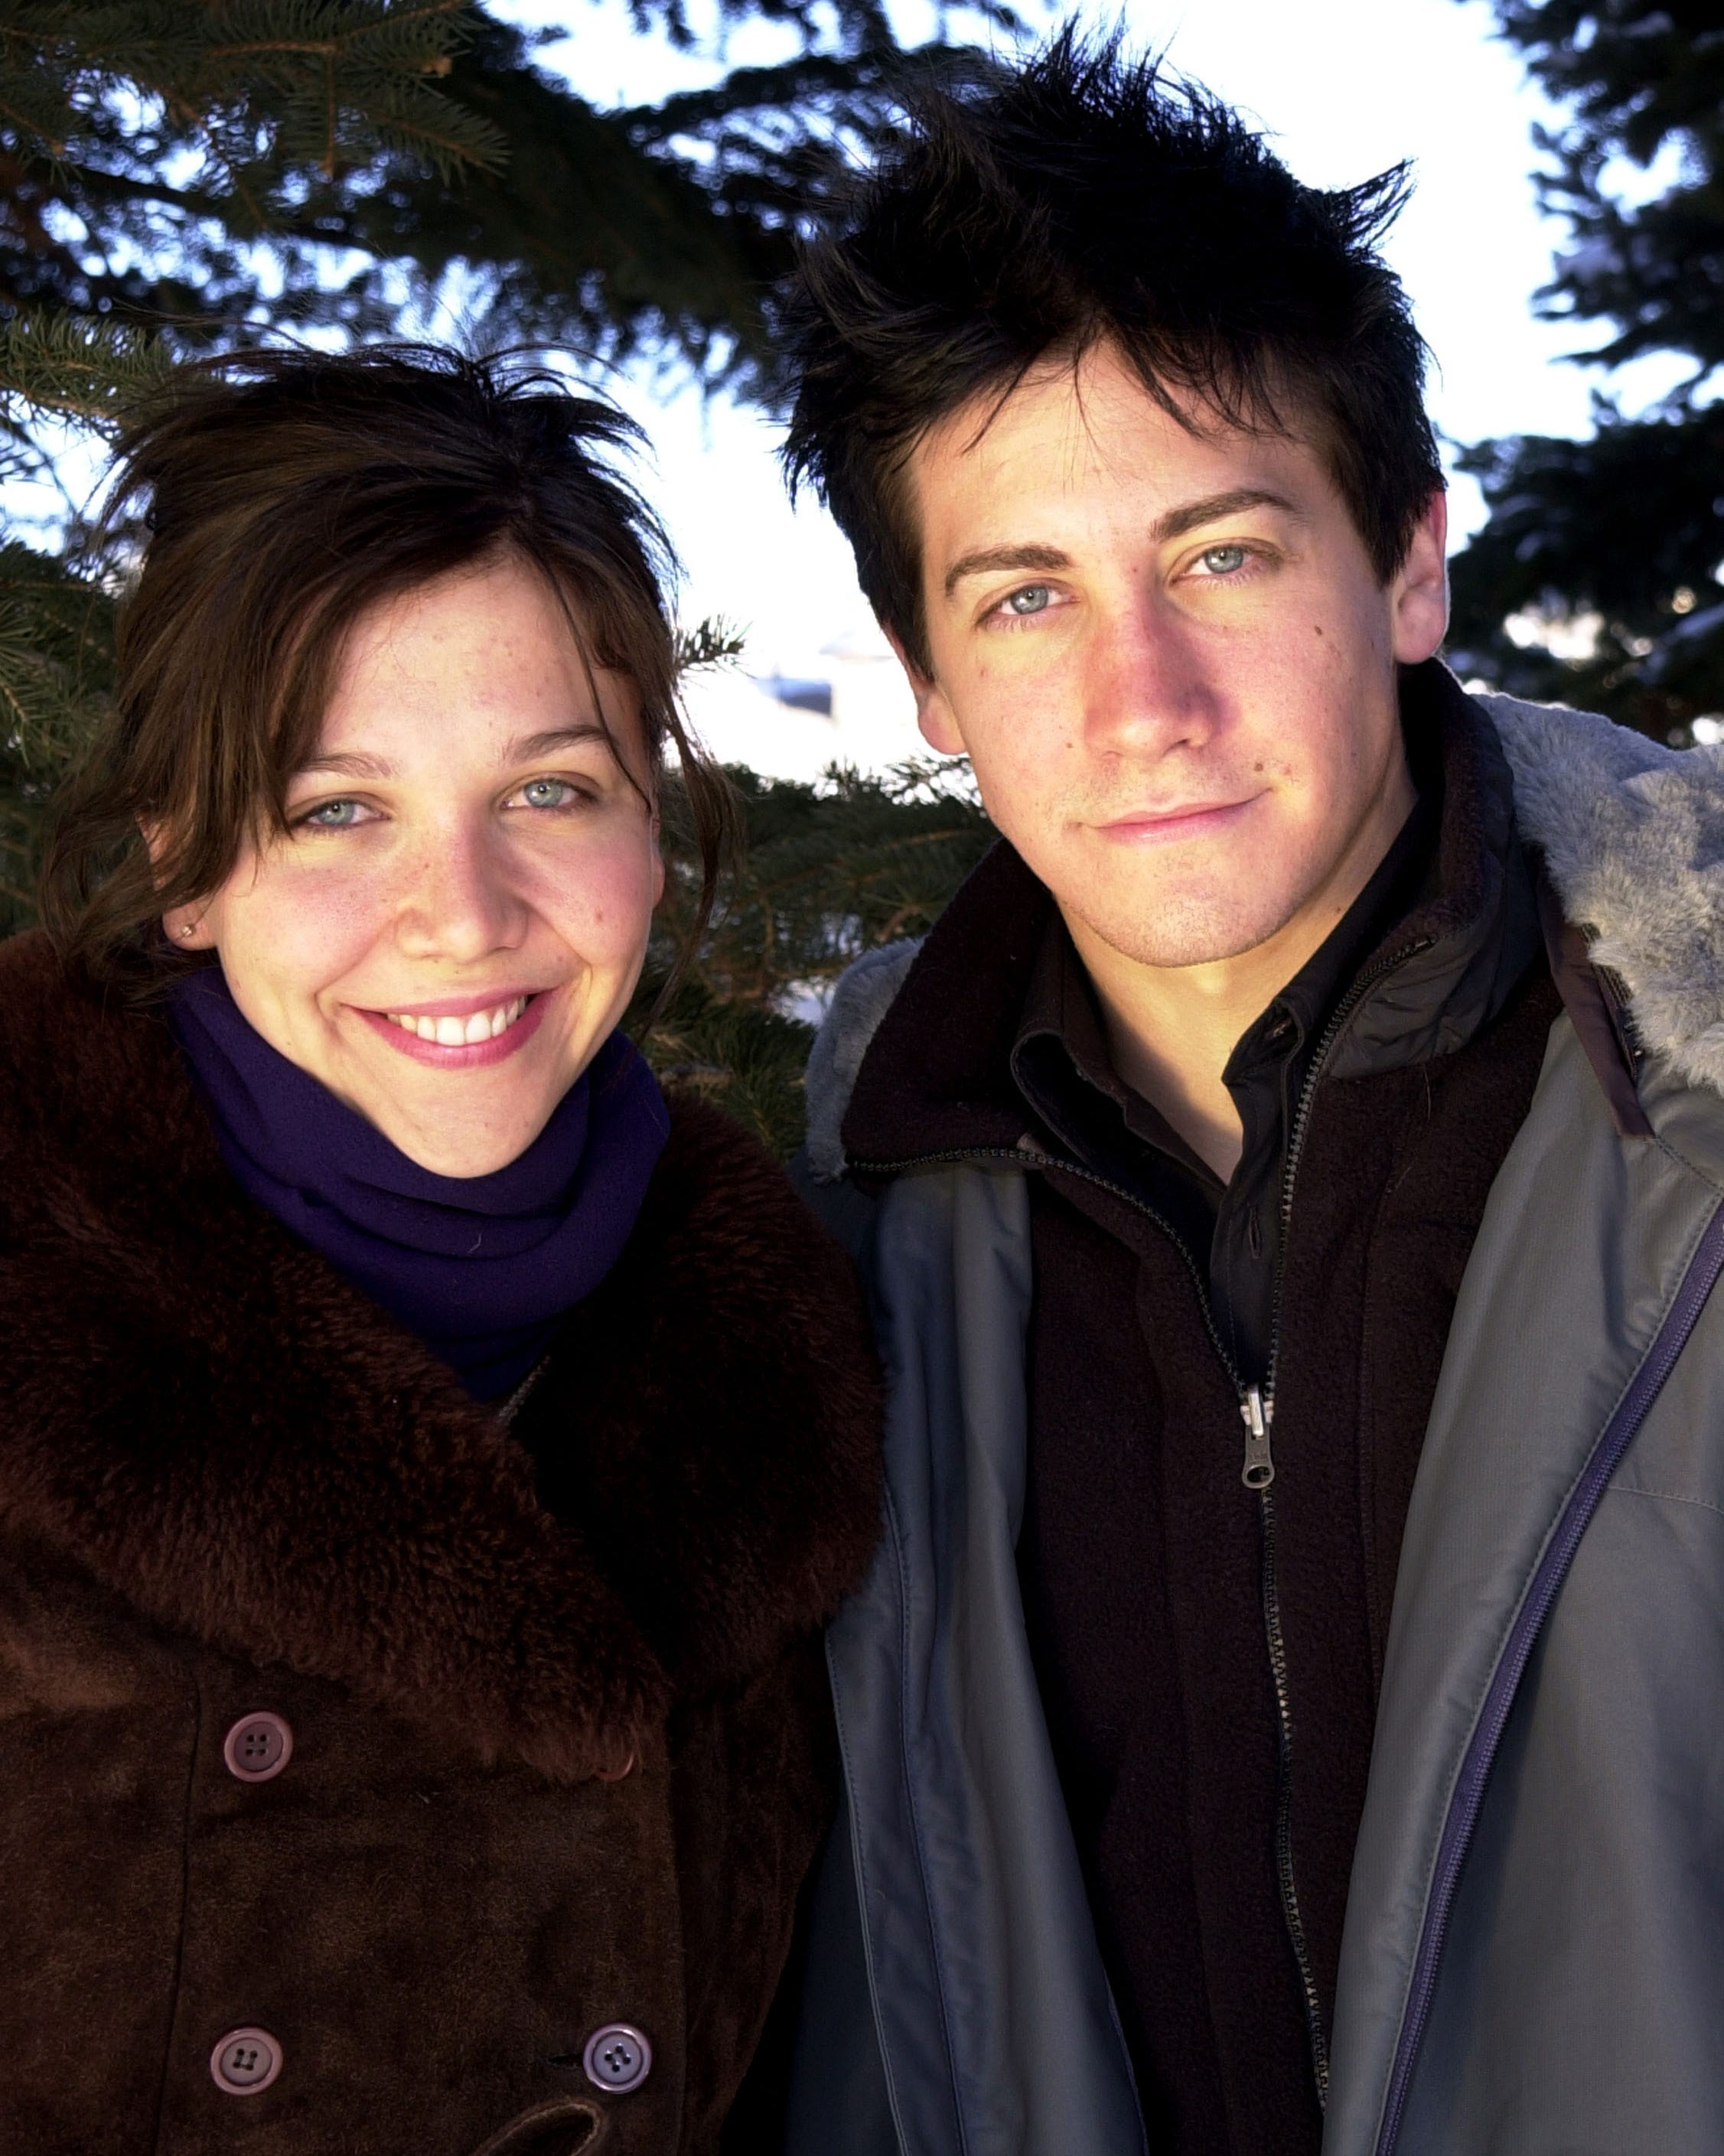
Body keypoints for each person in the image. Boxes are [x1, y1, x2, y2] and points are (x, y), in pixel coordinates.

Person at [776, 32, 1724, 2156]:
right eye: (1025, 597)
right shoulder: (843, 1249)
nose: (1142, 703)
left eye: (1218, 554)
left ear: (1403, 565)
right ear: (927, 686)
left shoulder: (1695, 1108)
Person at [0, 346, 882, 2156]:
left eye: (550, 789)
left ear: (650, 811)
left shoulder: (795, 1378)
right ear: (183, 855)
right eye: (340, 807)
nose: (466, 917)